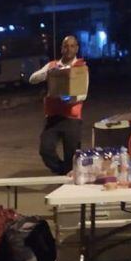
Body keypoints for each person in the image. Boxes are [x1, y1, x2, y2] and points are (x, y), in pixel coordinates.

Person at [29, 35, 88, 175]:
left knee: (71, 155)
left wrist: (70, 99)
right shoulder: (52, 66)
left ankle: (69, 182)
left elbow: (83, 94)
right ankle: (62, 172)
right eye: (66, 46)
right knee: (45, 150)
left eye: (72, 46)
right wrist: (47, 74)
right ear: (61, 48)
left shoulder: (81, 67)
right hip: (53, 118)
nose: (69, 49)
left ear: (77, 48)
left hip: (72, 118)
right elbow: (32, 79)